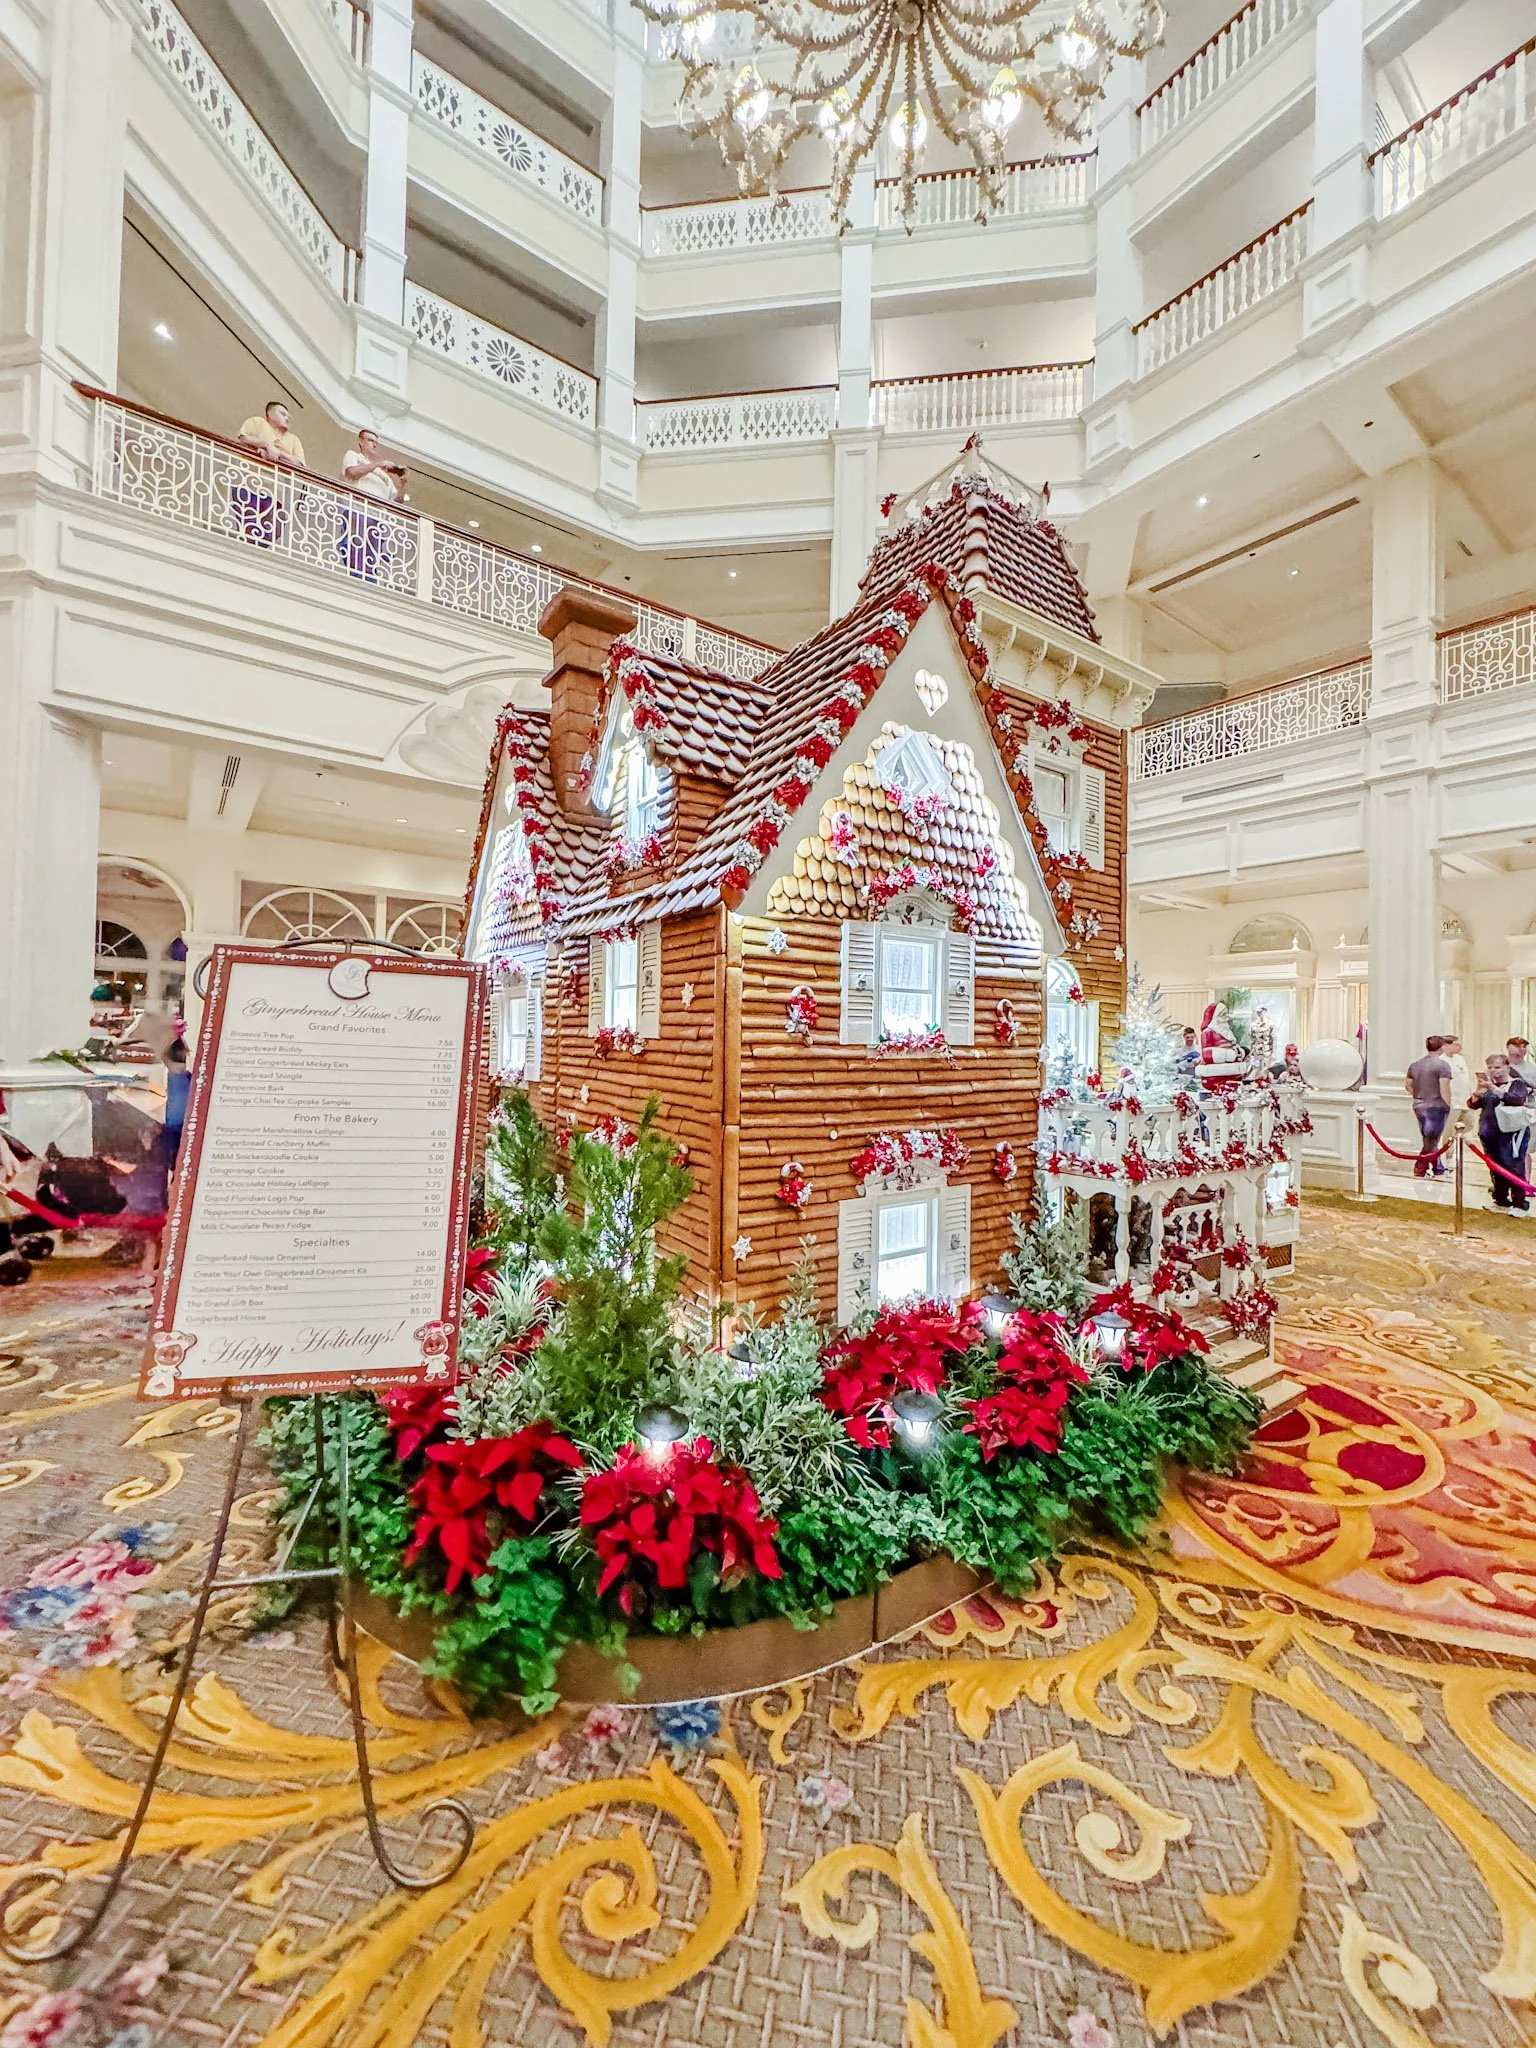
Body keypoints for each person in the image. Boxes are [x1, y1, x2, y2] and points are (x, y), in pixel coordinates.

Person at [232, 400, 306, 547]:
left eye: (288, 416)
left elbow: (300, 464)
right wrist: (266, 445)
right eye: (283, 414)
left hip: (274, 492)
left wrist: (278, 453)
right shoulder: (258, 422)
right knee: (249, 525)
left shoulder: (293, 439)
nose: (287, 418)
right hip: (249, 484)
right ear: (269, 414)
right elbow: (243, 438)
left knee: (272, 531)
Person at [1470, 1052, 1532, 1211]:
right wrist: (1478, 1092)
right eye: (1490, 1067)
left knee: (1514, 1166)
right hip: (1489, 1132)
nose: (1494, 1071)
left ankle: (1519, 1202)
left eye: (1497, 1067)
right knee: (1495, 1167)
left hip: (1511, 1133)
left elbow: (1516, 1099)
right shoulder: (1488, 1085)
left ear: (1507, 1067)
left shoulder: (1517, 1083)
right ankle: (1500, 1198)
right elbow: (1473, 1105)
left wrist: (1494, 1089)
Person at [341, 429, 405, 582]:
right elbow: (351, 473)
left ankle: (369, 579)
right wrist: (377, 465)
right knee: (355, 544)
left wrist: (403, 482)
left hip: (377, 517)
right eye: (370, 440)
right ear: (361, 441)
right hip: (357, 509)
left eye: (376, 443)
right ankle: (356, 577)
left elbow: (396, 500)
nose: (374, 445)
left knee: (372, 554)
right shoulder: (354, 456)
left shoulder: (385, 476)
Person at [1404, 1034, 1452, 1178]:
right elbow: (1445, 1089)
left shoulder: (1415, 1065)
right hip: (1436, 1106)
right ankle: (1420, 1166)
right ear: (1442, 1047)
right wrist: (1449, 1105)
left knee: (1428, 1138)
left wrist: (1419, 1094)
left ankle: (1438, 1167)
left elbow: (1408, 1085)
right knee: (1432, 1139)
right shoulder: (1443, 1066)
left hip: (1419, 1104)